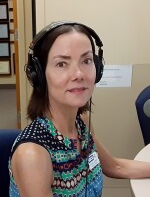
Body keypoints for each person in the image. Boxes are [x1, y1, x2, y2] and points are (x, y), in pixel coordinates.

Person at [9, 21, 150, 197]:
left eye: (86, 60)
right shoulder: (33, 155)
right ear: (39, 75)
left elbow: (115, 167)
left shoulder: (82, 122)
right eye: (62, 64)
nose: (79, 74)